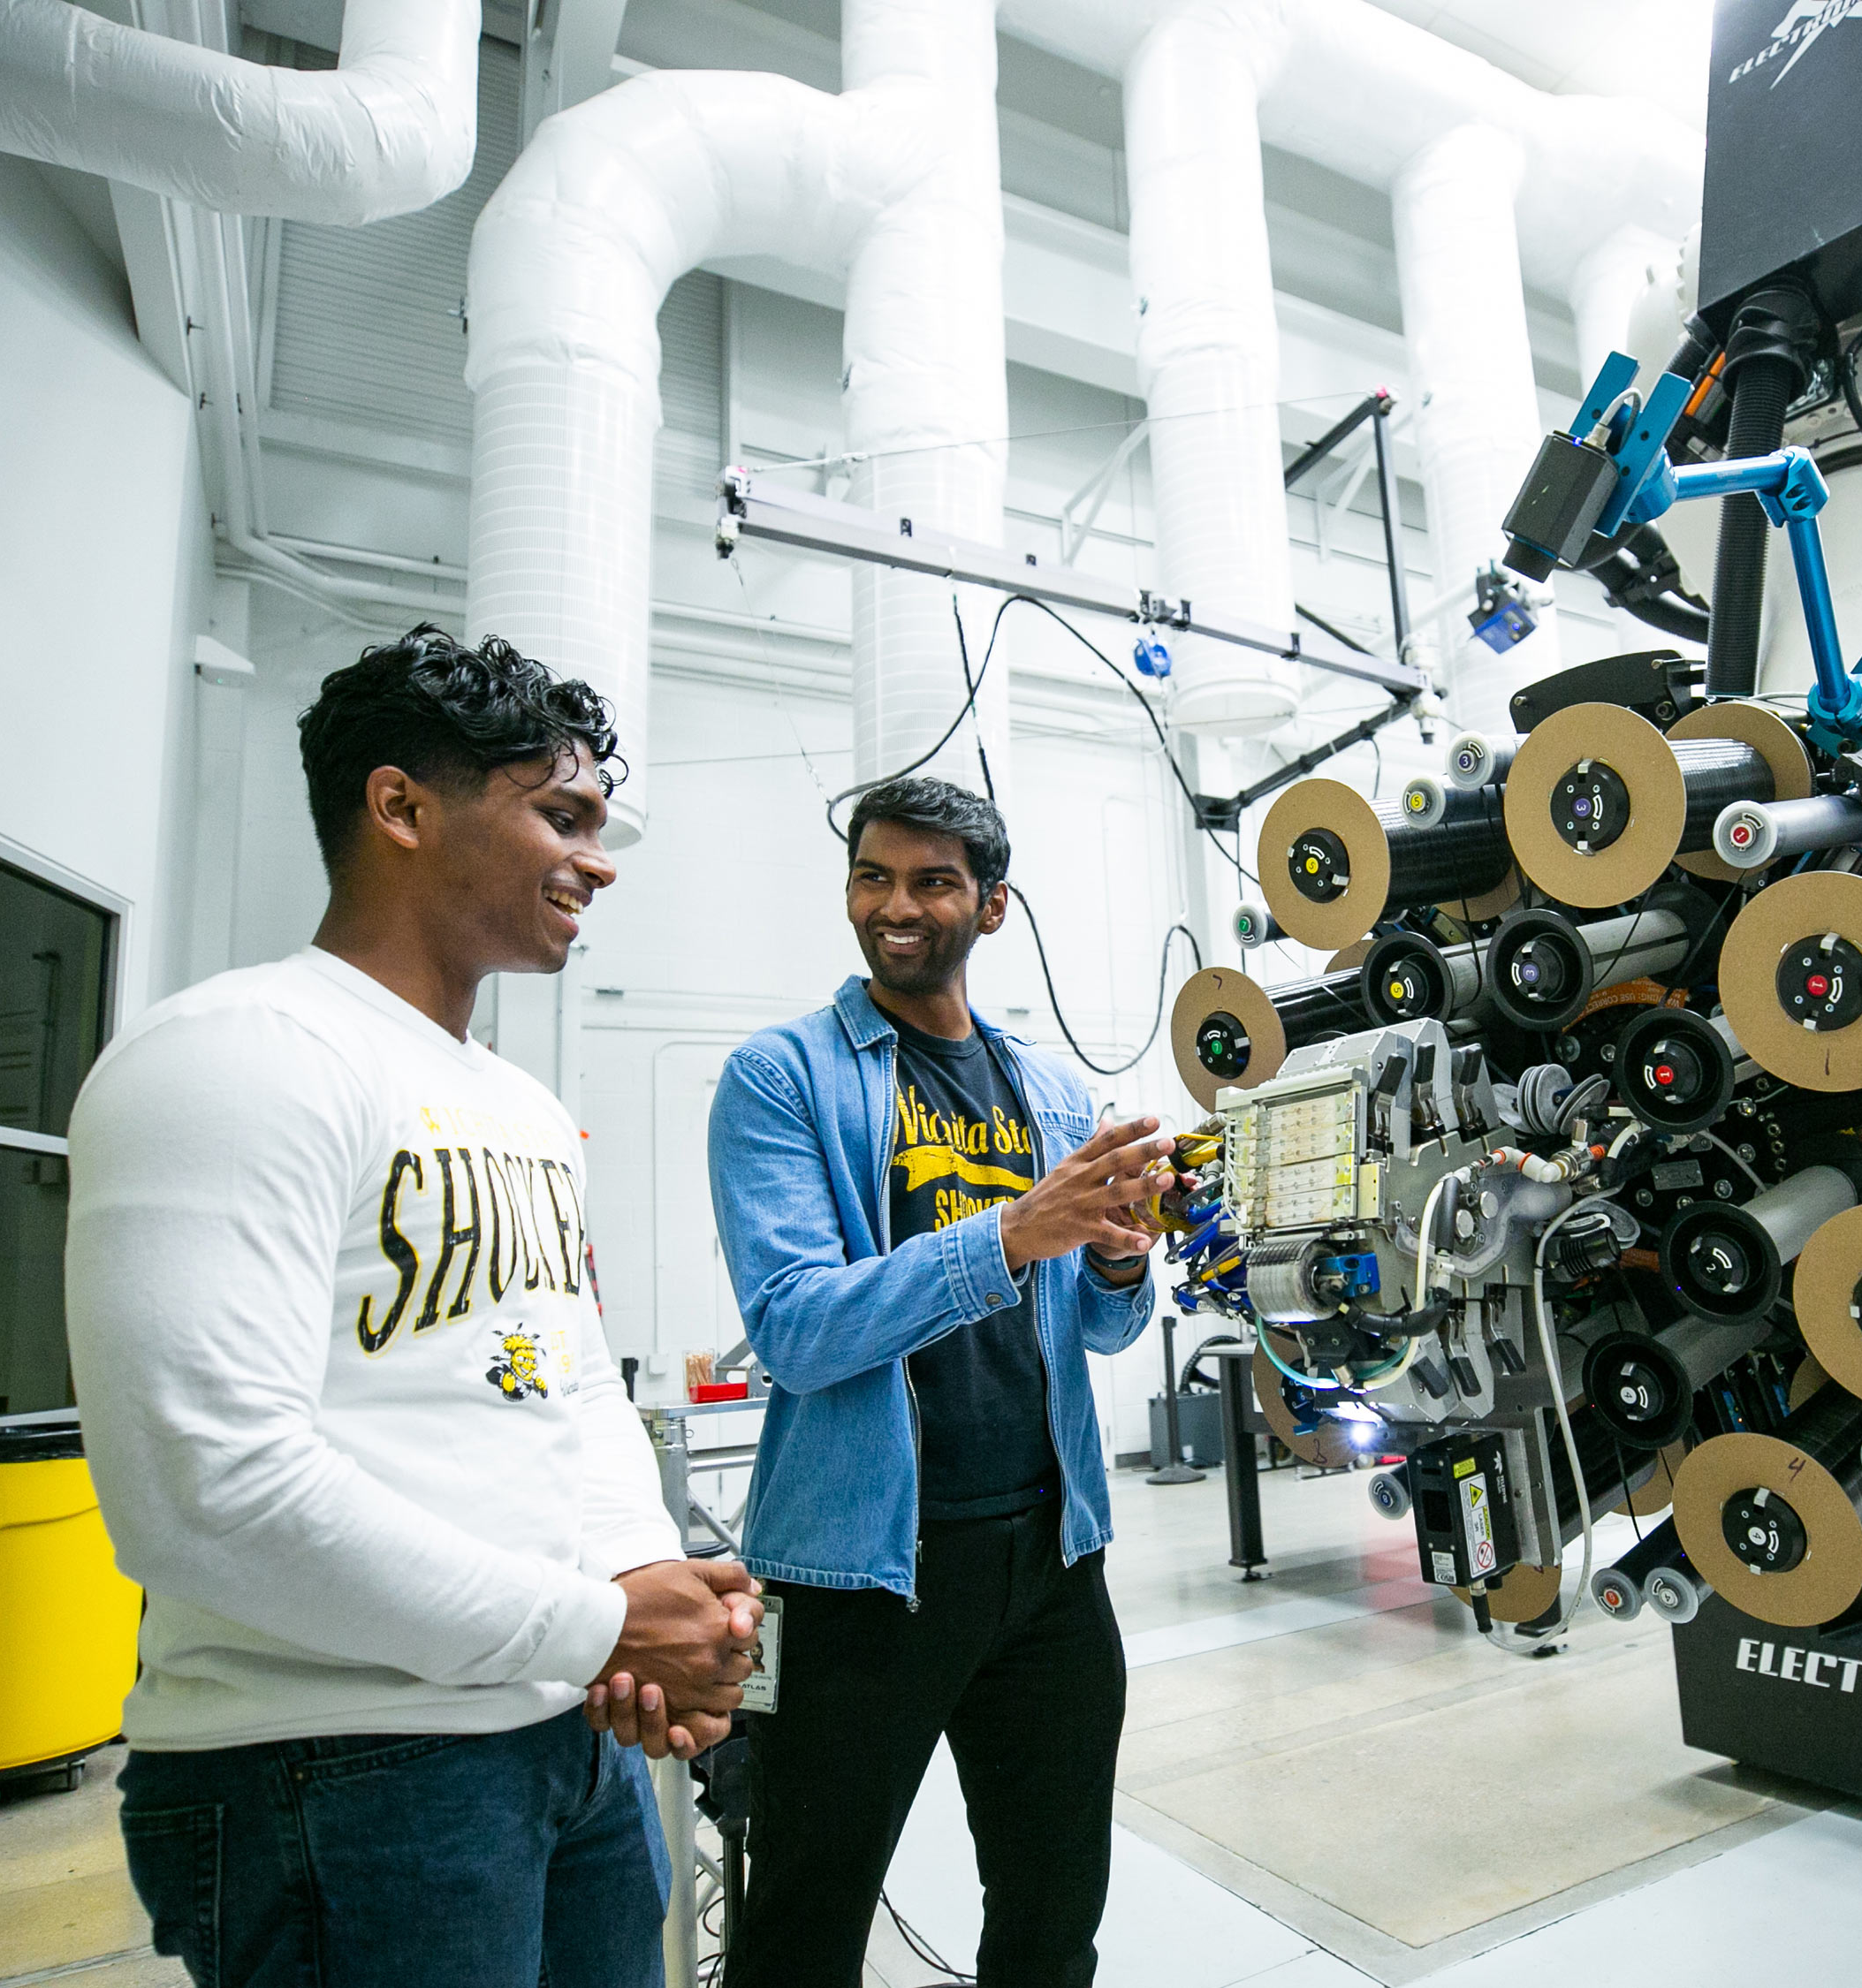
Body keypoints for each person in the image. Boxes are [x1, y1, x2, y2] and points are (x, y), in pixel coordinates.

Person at [66, 626, 761, 1988]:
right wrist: (600, 1626)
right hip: (337, 1769)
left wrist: (637, 1572)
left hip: (569, 1749)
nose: (599, 857)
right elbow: (203, 1486)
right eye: (560, 814)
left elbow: (573, 1389)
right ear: (400, 806)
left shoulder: (520, 1108)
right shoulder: (236, 1053)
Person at [702, 777, 1172, 1987]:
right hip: (864, 1573)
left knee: (1053, 1912)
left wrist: (1118, 1255)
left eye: (930, 880)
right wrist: (1015, 1232)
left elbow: (1103, 1334)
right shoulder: (783, 1075)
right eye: (873, 875)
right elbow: (798, 1326)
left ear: (992, 905)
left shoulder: (1051, 1090)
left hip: (1054, 1560)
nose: (894, 904)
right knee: (802, 1928)